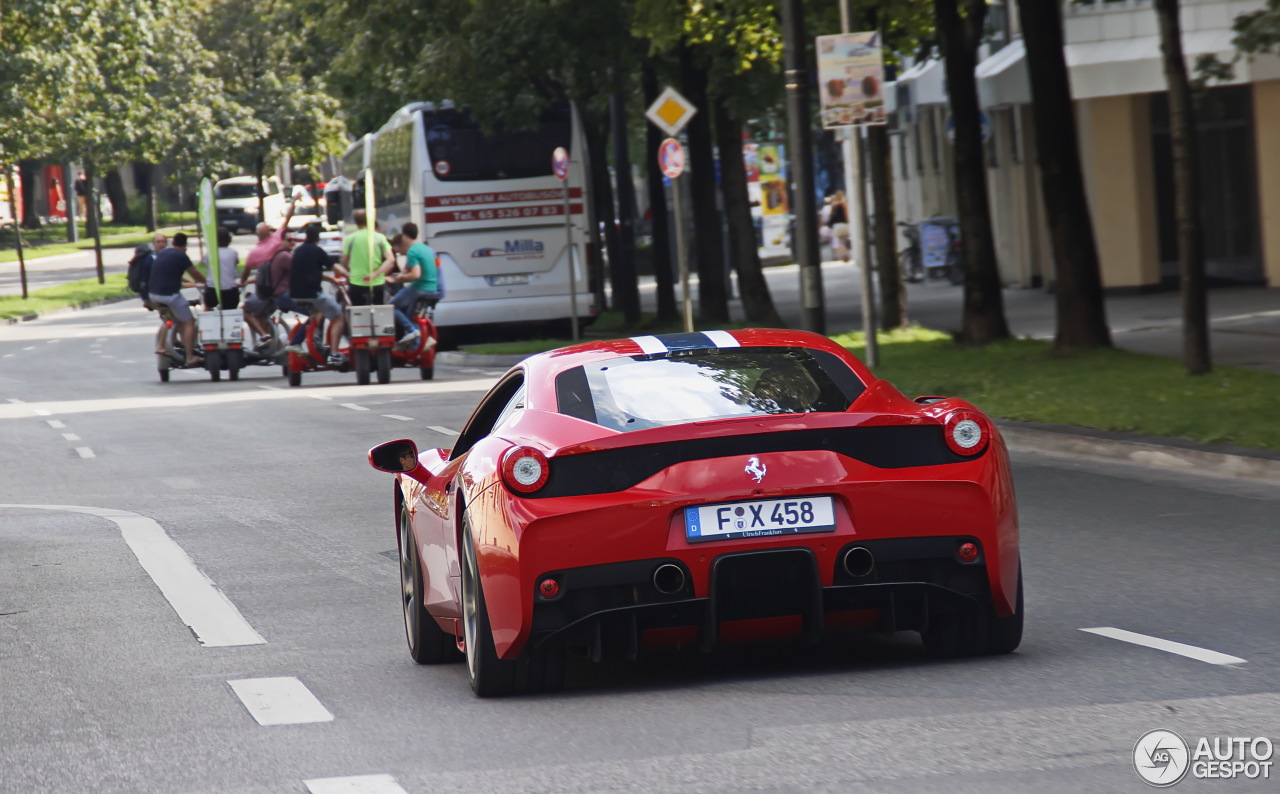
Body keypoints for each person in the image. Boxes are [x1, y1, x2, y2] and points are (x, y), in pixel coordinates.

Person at [285, 224, 346, 367]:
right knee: (338, 317)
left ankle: (311, 341)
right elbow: (333, 266)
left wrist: (332, 280)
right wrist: (348, 276)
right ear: (318, 238)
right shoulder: (317, 250)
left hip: (295, 294)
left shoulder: (298, 251)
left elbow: (312, 272)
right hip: (312, 293)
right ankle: (334, 354)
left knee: (317, 313)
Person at [147, 232, 206, 367]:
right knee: (189, 321)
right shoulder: (182, 256)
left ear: (172, 243)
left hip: (153, 294)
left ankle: (171, 343)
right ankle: (190, 356)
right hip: (169, 295)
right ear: (185, 245)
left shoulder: (163, 254)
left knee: (174, 317)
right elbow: (195, 273)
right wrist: (207, 282)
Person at [383, 222, 440, 349]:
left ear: (404, 236)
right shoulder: (423, 247)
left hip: (419, 288)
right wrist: (397, 278)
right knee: (408, 314)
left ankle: (412, 331)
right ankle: (418, 343)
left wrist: (401, 278)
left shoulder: (412, 251)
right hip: (432, 288)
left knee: (390, 307)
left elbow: (415, 275)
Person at [242, 230, 294, 343]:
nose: (293, 242)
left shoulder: (278, 254)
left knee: (244, 311)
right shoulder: (278, 250)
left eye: (294, 240)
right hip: (275, 294)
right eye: (290, 240)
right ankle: (271, 345)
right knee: (261, 315)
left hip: (269, 293)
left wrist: (243, 282)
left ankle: (263, 335)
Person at [336, 209, 395, 306]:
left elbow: (344, 262)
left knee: (358, 315)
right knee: (378, 313)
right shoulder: (379, 237)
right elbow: (390, 259)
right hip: (377, 283)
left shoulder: (350, 239)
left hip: (356, 283)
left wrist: (350, 273)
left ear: (355, 222)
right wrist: (376, 274)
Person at [241, 187, 302, 278]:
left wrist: (242, 282)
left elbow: (246, 271)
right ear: (269, 232)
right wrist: (293, 202)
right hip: (280, 279)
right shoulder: (276, 239)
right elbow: (287, 218)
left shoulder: (253, 253)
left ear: (257, 235)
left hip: (266, 285)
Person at [203, 227, 241, 310]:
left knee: (208, 306)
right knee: (231, 309)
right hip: (230, 291)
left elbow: (207, 269)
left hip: (212, 290)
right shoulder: (233, 253)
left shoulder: (209, 253)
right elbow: (233, 269)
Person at [827, 191, 850, 263]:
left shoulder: (834, 205)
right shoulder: (844, 203)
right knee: (845, 240)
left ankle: (842, 255)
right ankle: (846, 254)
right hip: (844, 224)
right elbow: (847, 215)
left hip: (837, 225)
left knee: (839, 242)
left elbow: (830, 215)